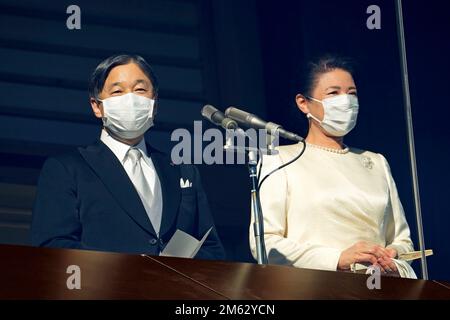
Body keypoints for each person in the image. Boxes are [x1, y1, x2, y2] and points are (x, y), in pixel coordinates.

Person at [31, 54, 225, 260]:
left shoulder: (181, 169)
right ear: (97, 106)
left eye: (140, 89)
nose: (130, 99)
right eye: (117, 91)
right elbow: (53, 247)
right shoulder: (67, 169)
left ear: (155, 103)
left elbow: (211, 248)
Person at [250, 55, 416, 278]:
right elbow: (265, 241)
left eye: (352, 93)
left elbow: (403, 241)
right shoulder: (280, 159)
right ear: (303, 102)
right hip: (316, 288)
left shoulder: (376, 162)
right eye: (333, 93)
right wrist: (337, 259)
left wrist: (393, 258)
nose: (346, 101)